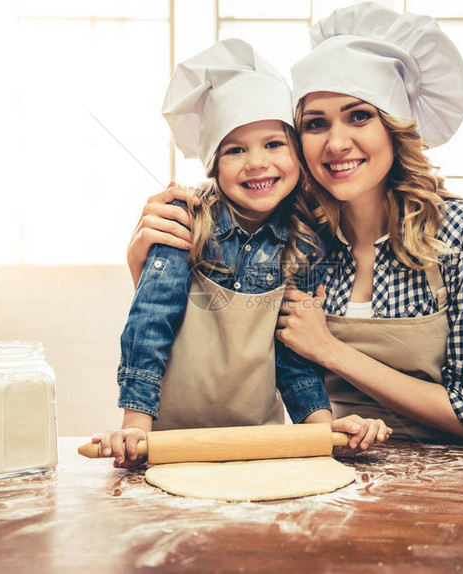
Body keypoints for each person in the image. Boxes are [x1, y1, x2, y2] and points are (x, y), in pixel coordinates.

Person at [126, 4, 463, 444]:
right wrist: (146, 260)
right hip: (326, 461)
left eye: (360, 116)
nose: (336, 143)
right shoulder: (297, 231)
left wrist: (329, 349)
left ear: (394, 129)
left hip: (440, 472)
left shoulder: (462, 233)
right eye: (315, 124)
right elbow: (214, 330)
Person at [94, 38, 390, 468]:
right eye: (235, 150)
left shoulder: (304, 242)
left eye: (273, 144)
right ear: (213, 165)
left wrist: (321, 430)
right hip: (171, 445)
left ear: (298, 155)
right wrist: (135, 427)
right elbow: (150, 323)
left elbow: (294, 356)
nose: (256, 162)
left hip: (257, 447)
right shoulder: (185, 220)